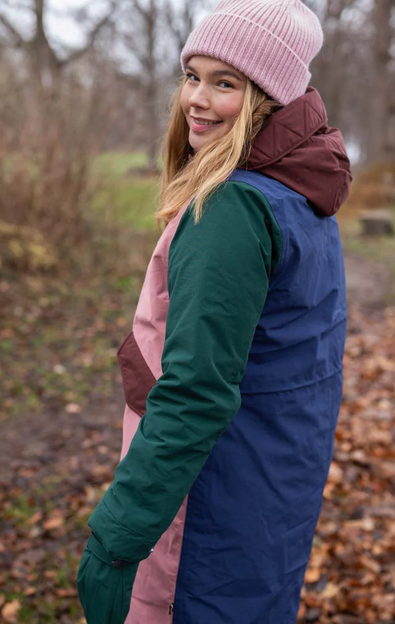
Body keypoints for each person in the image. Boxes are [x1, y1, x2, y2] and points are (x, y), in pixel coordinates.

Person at [77, 1, 351, 622]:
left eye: (225, 83)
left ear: (267, 98)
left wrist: (118, 537)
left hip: (207, 507)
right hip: (275, 483)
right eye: (192, 76)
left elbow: (195, 393)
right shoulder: (303, 187)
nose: (196, 100)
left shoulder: (233, 209)